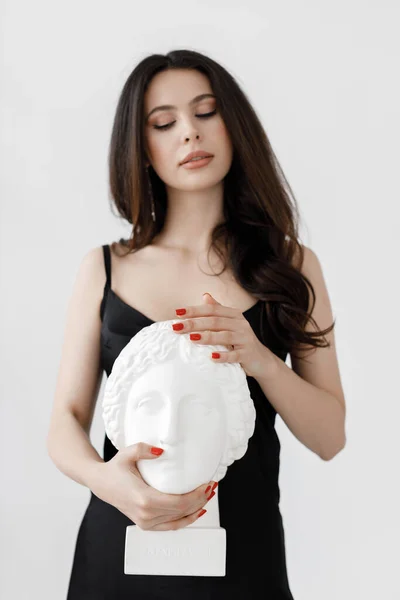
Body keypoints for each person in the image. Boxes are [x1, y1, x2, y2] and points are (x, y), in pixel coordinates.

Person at [46, 48, 347, 599]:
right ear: (141, 149)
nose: (189, 132)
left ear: (235, 125)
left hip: (243, 558)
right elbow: (65, 421)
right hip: (121, 548)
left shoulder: (293, 266)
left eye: (206, 112)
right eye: (164, 122)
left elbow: (330, 437)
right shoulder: (104, 267)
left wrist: (258, 359)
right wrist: (106, 481)